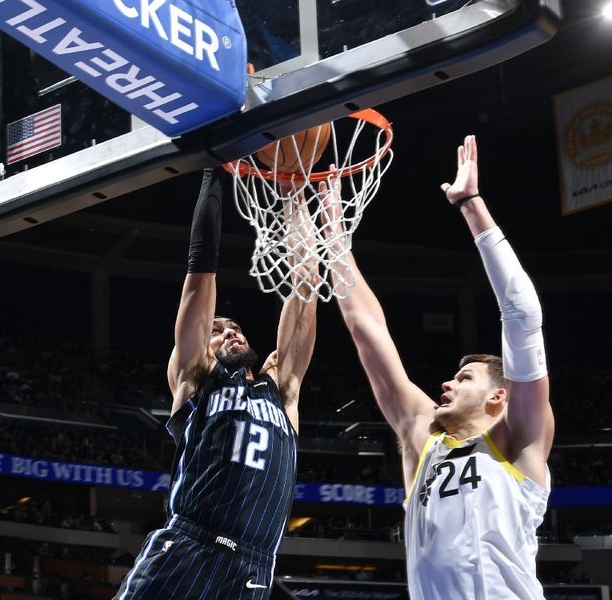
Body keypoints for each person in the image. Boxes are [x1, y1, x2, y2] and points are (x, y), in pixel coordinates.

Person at [323, 135, 552, 599]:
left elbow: (523, 316)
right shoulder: (422, 438)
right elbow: (366, 329)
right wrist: (333, 240)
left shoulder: (519, 440)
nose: (446, 382)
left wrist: (471, 204)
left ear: (498, 397)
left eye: (464, 377)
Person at [114, 169, 319, 599]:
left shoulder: (282, 390)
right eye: (217, 329)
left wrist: (293, 194)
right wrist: (213, 174)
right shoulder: (197, 377)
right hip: (190, 546)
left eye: (237, 328)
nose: (230, 333)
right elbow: (200, 275)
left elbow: (305, 283)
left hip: (254, 567)